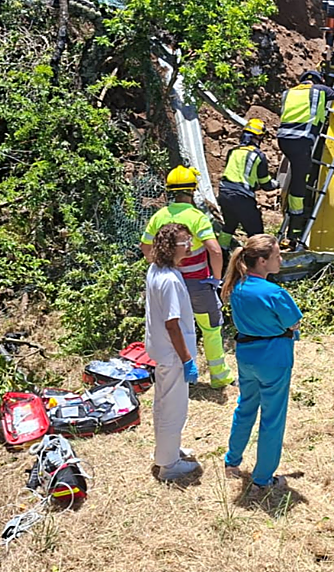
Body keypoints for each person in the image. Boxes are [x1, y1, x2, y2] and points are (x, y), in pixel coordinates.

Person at [222, 234, 302, 491]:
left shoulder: (237, 286)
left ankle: (232, 462)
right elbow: (294, 322)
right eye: (277, 256)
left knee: (245, 408)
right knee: (272, 419)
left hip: (246, 356)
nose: (281, 259)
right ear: (262, 261)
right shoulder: (274, 292)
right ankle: (263, 478)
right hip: (274, 359)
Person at [141, 166, 233, 388]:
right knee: (210, 329)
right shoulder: (196, 217)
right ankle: (219, 376)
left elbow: (145, 247)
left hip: (170, 283)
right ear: (193, 189)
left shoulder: (159, 216)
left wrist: (161, 266)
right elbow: (215, 250)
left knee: (177, 329)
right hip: (198, 284)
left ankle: (183, 375)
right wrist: (216, 279)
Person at [143, 222, 201, 481]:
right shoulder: (169, 280)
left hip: (162, 351)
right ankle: (169, 465)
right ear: (169, 247)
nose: (190, 246)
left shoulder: (157, 269)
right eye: (184, 242)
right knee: (173, 410)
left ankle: (167, 451)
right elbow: (172, 324)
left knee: (163, 405)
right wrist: (187, 359)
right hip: (173, 354)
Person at [277, 70, 334, 243]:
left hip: (284, 140)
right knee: (299, 182)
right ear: (318, 81)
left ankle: (293, 223)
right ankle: (295, 228)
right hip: (301, 140)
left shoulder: (289, 92)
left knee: (298, 174)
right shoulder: (320, 90)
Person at [218, 118, 277, 250]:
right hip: (242, 197)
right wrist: (276, 184)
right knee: (257, 234)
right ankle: (256, 258)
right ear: (259, 137)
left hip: (224, 193)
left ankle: (222, 252)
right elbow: (266, 184)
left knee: (229, 225)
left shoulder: (233, 151)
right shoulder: (258, 155)